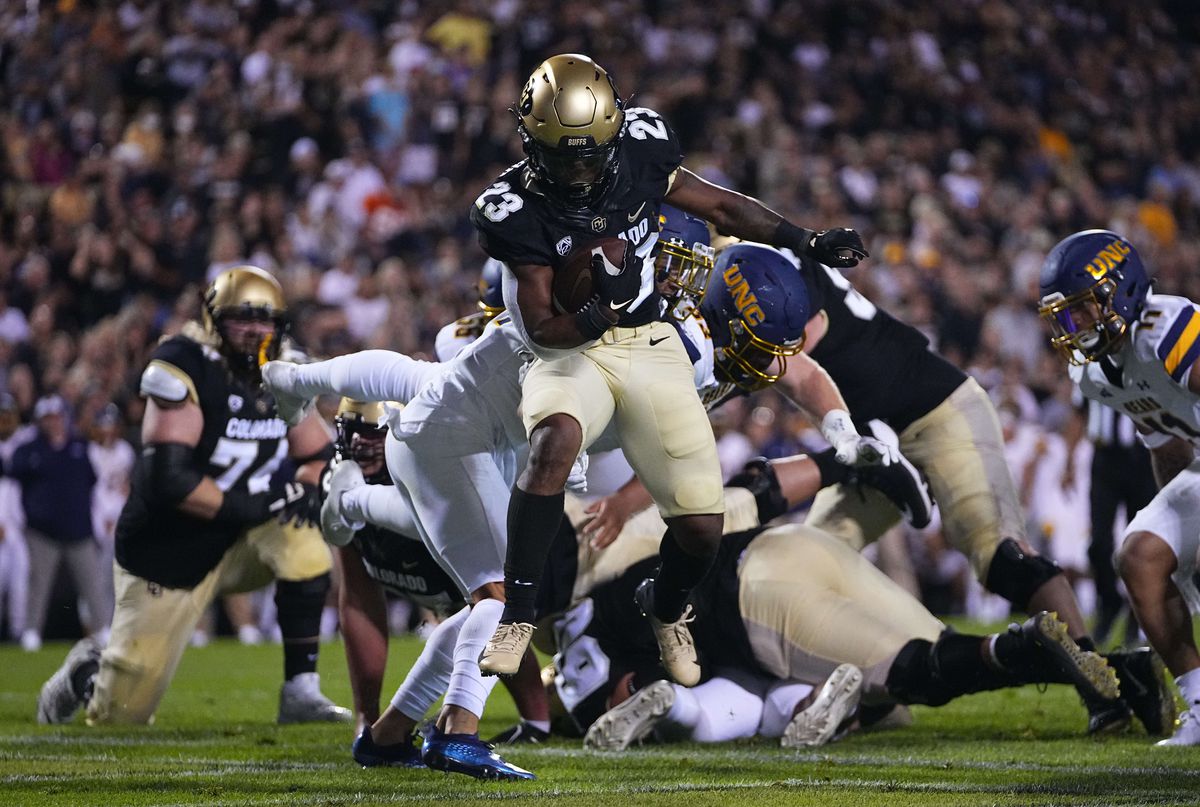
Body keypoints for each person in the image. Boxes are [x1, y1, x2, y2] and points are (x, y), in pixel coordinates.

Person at [468, 53, 872, 685]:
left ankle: (664, 605)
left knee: (702, 527)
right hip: (571, 348)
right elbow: (543, 328)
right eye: (564, 156)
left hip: (650, 341)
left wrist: (806, 240)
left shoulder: (641, 150)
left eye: (589, 153)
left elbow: (723, 208)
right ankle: (518, 612)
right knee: (555, 441)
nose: (579, 169)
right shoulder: (510, 207)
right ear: (530, 143)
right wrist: (601, 307)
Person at [514, 453, 1123, 753]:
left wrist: (549, 717)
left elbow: (610, 690)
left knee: (920, 673)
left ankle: (1015, 644)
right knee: (923, 662)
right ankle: (1127, 676)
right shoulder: (633, 536)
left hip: (758, 602)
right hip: (798, 545)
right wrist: (837, 462)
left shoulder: (586, 617)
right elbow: (757, 491)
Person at [37, 266, 349, 726]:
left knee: (305, 535)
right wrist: (253, 505)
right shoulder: (184, 362)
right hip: (171, 549)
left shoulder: (283, 369)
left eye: (265, 320)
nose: (255, 331)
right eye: (242, 318)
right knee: (120, 716)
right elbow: (172, 479)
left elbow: (319, 453)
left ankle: (300, 690)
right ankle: (88, 668)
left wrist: (304, 487)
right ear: (213, 320)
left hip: (242, 539)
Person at [320, 398, 549, 772]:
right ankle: (454, 734)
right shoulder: (340, 476)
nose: (361, 444)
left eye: (373, 433)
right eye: (354, 432)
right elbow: (359, 598)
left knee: (497, 604)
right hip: (457, 562)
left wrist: (534, 717)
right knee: (503, 601)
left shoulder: (433, 446)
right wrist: (364, 710)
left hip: (484, 553)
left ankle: (386, 737)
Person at [1038, 229, 1200, 745]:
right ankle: (1199, 702)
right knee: (1140, 556)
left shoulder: (1165, 327)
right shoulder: (1095, 374)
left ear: (1120, 289)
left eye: (1083, 309)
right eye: (1066, 315)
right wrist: (1188, 550)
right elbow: (1168, 448)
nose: (1075, 325)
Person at [8, 394, 107, 651]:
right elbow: (12, 476)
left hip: (78, 529)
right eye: (48, 419)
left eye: (57, 417)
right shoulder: (29, 449)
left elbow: (93, 482)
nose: (54, 423)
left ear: (65, 418)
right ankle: (31, 632)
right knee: (38, 584)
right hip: (43, 532)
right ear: (41, 421)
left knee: (92, 583)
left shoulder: (79, 447)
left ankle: (103, 629)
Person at [0, 393, 35, 643]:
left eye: (8, 415)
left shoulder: (26, 440)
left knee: (21, 584)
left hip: (19, 527)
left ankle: (17, 634)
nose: (5, 421)